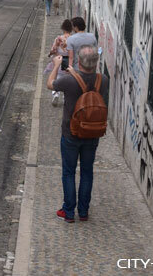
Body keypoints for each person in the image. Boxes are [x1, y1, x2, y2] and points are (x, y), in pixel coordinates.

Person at [46, 45, 109, 222]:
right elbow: (85, 82)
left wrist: (57, 65)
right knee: (87, 172)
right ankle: (83, 212)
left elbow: (50, 84)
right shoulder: (103, 79)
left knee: (69, 172)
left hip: (71, 133)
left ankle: (68, 211)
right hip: (92, 133)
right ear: (96, 63)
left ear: (79, 61)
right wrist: (74, 72)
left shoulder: (68, 81)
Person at [47, 19, 73, 106]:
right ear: (71, 29)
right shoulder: (73, 39)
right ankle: (66, 98)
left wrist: (50, 54)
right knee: (68, 81)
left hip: (59, 60)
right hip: (69, 61)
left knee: (56, 79)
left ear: (63, 28)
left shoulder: (58, 39)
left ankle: (55, 93)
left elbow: (53, 50)